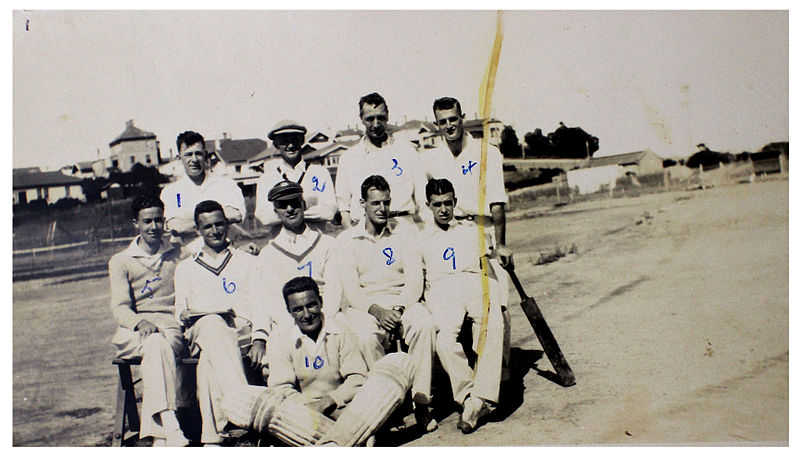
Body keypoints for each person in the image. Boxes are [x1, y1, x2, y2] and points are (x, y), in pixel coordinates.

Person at [421, 96, 515, 378]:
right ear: (437, 125)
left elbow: (497, 202)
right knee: (458, 302)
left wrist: (501, 244)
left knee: (497, 302)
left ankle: (500, 373)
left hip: (481, 229)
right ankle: (470, 372)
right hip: (451, 234)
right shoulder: (431, 158)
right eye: (443, 122)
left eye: (453, 119)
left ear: (463, 118)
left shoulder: (488, 153)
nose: (449, 126)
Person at [335, 174, 437, 432]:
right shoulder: (347, 240)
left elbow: (415, 280)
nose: (382, 209)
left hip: (402, 301)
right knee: (367, 336)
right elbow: (351, 290)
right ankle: (388, 405)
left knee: (423, 324)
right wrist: (377, 311)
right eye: (375, 203)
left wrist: (399, 309)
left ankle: (421, 402)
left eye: (386, 202)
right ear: (362, 204)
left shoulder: (404, 232)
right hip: (366, 306)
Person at [173, 200, 268, 445]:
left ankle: (213, 437)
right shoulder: (185, 268)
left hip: (240, 333)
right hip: (200, 333)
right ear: (198, 230)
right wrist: (191, 314)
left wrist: (259, 337)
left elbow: (260, 305)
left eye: (219, 224)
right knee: (213, 324)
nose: (214, 231)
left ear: (227, 225)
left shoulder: (246, 261)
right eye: (207, 227)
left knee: (208, 362)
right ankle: (244, 408)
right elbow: (180, 312)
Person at [420, 178, 504, 433]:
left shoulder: (470, 231)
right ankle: (469, 397)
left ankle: (482, 398)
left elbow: (489, 261)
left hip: (472, 283)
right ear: (429, 206)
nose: (444, 209)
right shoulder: (421, 238)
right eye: (437, 205)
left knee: (493, 323)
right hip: (443, 291)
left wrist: (496, 289)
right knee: (444, 341)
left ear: (455, 202)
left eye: (448, 203)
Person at [108, 194, 189, 446]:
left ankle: (161, 434)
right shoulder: (121, 261)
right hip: (134, 331)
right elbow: (120, 309)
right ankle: (170, 424)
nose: (154, 227)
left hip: (169, 328)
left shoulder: (179, 254)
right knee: (153, 343)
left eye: (158, 220)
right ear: (136, 223)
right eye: (147, 222)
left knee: (157, 344)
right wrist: (140, 323)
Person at [266, 276, 367, 417]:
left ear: (321, 302)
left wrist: (331, 400)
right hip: (303, 410)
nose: (307, 315)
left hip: (341, 404)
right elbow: (280, 388)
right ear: (289, 311)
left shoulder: (341, 330)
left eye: (311, 305)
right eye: (298, 309)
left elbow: (357, 378)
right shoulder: (281, 339)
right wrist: (310, 406)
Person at [256, 181, 342, 329]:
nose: (290, 209)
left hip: (327, 318)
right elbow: (272, 299)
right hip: (289, 324)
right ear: (276, 212)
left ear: (304, 205)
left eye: (294, 203)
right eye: (283, 205)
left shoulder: (327, 244)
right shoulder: (268, 254)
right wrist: (294, 326)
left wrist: (321, 320)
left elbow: (334, 290)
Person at [334, 92, 424, 227]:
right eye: (370, 119)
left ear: (387, 116)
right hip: (364, 229)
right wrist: (350, 231)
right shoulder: (348, 158)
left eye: (380, 118)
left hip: (402, 226)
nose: (376, 124)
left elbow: (422, 196)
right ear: (361, 119)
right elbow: (343, 206)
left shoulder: (406, 151)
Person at [160, 130, 250, 253]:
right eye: (188, 154)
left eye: (198, 154)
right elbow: (175, 226)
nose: (194, 160)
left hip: (226, 251)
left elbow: (236, 214)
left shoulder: (225, 185)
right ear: (179, 158)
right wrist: (218, 220)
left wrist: (190, 223)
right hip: (189, 255)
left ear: (205, 155)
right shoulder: (174, 193)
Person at [254, 120, 337, 232]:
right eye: (284, 141)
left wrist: (285, 213)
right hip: (282, 244)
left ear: (302, 141)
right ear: (276, 144)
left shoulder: (319, 173)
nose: (291, 145)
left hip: (316, 241)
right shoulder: (267, 179)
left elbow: (329, 212)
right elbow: (264, 217)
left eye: (295, 140)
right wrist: (307, 211)